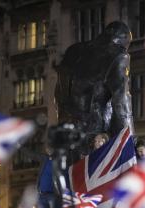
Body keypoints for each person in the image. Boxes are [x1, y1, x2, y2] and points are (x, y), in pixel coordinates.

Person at [56, 21, 134, 159]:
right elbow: (121, 101)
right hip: (95, 138)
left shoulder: (73, 51)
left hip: (66, 137)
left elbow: (58, 94)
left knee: (72, 178)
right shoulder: (117, 55)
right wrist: (130, 145)